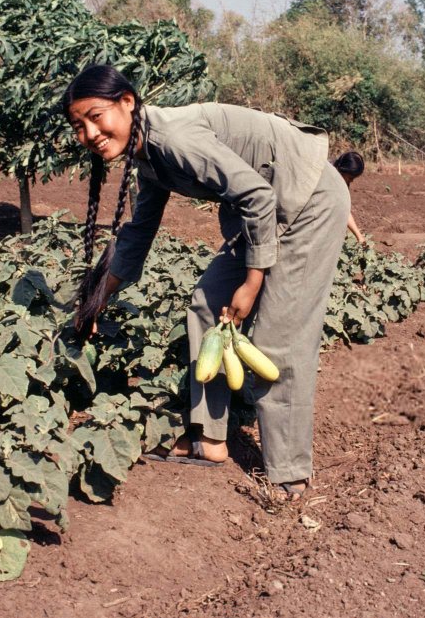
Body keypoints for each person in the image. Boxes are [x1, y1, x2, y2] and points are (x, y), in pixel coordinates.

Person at [63, 65, 349, 502]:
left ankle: (290, 474)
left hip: (307, 201)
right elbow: (138, 234)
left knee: (280, 337)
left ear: (127, 102)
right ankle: (208, 439)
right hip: (265, 209)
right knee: (206, 304)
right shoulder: (148, 156)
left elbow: (256, 196)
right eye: (78, 126)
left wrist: (252, 284)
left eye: (96, 116)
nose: (90, 133)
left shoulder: (174, 139)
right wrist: (95, 301)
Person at [332, 151, 367, 245]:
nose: (352, 180)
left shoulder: (342, 181)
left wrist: (359, 236)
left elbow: (344, 209)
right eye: (351, 177)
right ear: (343, 169)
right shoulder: (327, 178)